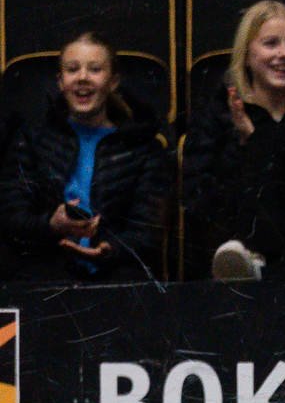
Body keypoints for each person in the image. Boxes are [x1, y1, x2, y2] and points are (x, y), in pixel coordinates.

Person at [0, 32, 170, 282]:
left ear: (113, 81)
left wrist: (108, 250)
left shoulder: (144, 148)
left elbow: (147, 233)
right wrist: (51, 225)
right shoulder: (32, 139)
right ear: (60, 81)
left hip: (115, 271)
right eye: (72, 69)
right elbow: (11, 216)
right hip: (45, 268)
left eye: (95, 69)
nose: (82, 78)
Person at [181, 0, 285, 281]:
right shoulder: (218, 115)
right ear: (247, 54)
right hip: (228, 268)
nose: (284, 54)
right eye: (271, 43)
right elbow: (202, 204)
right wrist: (249, 146)